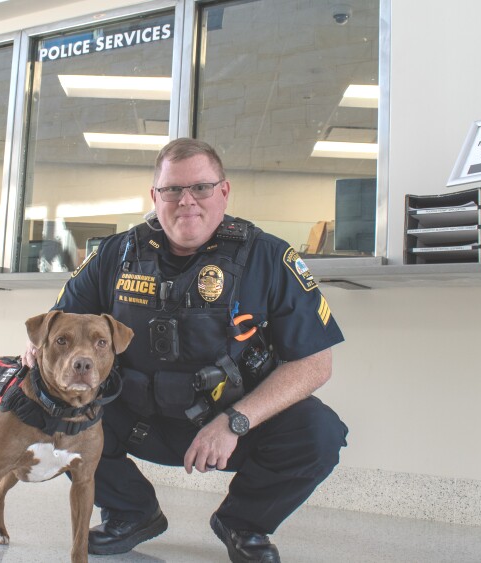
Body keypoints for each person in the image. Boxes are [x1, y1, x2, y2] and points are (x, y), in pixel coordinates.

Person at [28, 138, 348, 563]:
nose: (186, 202)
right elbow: (55, 326)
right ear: (155, 197)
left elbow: (315, 363)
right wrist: (32, 353)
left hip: (231, 423)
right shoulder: (117, 253)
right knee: (43, 405)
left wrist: (235, 421)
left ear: (224, 192)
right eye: (172, 190)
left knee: (319, 431)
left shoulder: (269, 257)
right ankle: (130, 512)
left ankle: (244, 522)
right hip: (136, 416)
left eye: (200, 187)